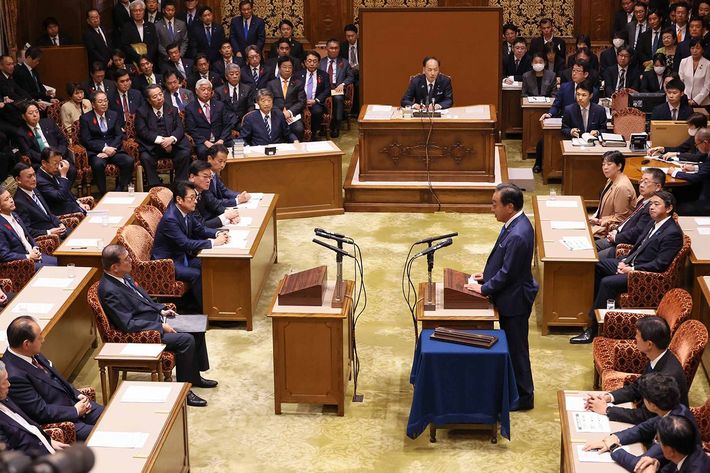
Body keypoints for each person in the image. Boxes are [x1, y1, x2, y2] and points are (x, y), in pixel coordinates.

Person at [98, 244, 217, 407]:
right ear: (114, 267)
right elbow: (127, 324)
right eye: (126, 259)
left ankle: (194, 378)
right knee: (186, 340)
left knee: (197, 325)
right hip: (142, 334)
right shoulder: (109, 291)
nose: (131, 260)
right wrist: (160, 327)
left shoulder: (125, 276)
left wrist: (161, 310)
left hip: (155, 318)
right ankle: (185, 391)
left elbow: (144, 299)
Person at [570, 191, 684, 343]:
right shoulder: (653, 222)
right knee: (597, 265)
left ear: (668, 209)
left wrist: (632, 269)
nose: (651, 207)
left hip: (644, 276)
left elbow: (660, 264)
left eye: (657, 204)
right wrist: (626, 261)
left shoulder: (672, 234)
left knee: (607, 283)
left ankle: (594, 329)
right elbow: (639, 246)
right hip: (630, 263)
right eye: (651, 203)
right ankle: (595, 308)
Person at [463, 184, 538, 411]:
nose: (492, 208)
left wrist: (484, 289)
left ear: (510, 206)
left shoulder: (518, 234)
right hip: (510, 294)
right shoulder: (513, 224)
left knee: (517, 350)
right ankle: (513, 389)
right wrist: (486, 276)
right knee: (512, 346)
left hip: (515, 300)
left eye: (495, 204)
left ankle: (524, 397)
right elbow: (505, 262)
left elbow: (508, 273)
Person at [4, 316, 102, 440]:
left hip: (76, 403)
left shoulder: (31, 353)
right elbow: (40, 411)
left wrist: (77, 394)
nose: (43, 339)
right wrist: (75, 411)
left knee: (113, 417)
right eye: (40, 337)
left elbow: (58, 379)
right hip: (63, 422)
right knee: (104, 436)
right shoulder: (14, 376)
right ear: (26, 344)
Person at [583, 373, 699, 472]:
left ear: (652, 405)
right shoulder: (674, 409)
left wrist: (613, 447)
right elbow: (643, 429)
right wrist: (615, 438)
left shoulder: (674, 428)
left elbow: (640, 466)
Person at [585, 316, 689, 423]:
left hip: (666, 428)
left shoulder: (666, 377)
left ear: (649, 344)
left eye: (638, 335)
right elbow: (637, 387)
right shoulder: (659, 357)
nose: (635, 337)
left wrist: (607, 410)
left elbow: (647, 416)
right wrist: (607, 397)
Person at [151, 181, 228, 311]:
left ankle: (217, 303)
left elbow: (200, 229)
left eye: (195, 197)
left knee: (210, 263)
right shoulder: (170, 219)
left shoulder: (186, 210)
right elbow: (185, 243)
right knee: (196, 274)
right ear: (179, 199)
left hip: (181, 256)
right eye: (191, 198)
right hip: (168, 262)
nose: (195, 201)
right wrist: (213, 243)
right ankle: (207, 310)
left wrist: (218, 233)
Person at [0, 360, 68, 456]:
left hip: (49, 449)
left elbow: (28, 425)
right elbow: (10, 461)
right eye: (4, 382)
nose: (9, 384)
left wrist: (48, 442)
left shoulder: (4, 398)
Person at [596, 168, 665, 259]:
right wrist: (616, 230)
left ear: (658, 187)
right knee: (591, 246)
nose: (641, 185)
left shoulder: (653, 208)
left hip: (625, 245)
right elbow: (629, 219)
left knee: (594, 257)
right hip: (619, 236)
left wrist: (616, 237)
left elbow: (638, 232)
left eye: (646, 182)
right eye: (641, 181)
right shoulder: (644, 199)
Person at [135, 84, 191, 188]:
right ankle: (156, 186)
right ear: (149, 100)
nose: (159, 98)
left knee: (185, 153)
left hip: (173, 145)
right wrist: (162, 141)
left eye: (160, 94)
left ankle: (180, 186)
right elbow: (142, 131)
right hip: (153, 146)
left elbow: (180, 128)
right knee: (145, 157)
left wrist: (171, 139)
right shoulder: (142, 112)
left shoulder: (172, 109)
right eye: (155, 96)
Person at [79, 91, 134, 195]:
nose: (104, 104)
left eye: (105, 101)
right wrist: (104, 149)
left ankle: (120, 190)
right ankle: (103, 193)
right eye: (100, 101)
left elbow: (119, 135)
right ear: (93, 104)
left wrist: (111, 149)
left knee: (129, 161)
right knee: (98, 164)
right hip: (97, 152)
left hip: (114, 149)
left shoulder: (114, 115)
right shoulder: (85, 118)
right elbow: (86, 140)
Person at [14, 102, 76, 186]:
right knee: (52, 176)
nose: (35, 115)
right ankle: (58, 192)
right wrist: (49, 159)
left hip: (58, 157)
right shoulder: (21, 133)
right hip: (41, 162)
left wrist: (58, 155)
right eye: (30, 113)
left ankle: (63, 191)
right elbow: (29, 153)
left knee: (72, 170)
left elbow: (62, 141)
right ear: (24, 116)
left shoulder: (48, 122)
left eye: (36, 112)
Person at [0, 185, 57, 268]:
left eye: (10, 197)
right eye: (6, 199)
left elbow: (27, 236)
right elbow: (4, 255)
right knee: (55, 268)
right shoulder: (1, 225)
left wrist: (35, 247)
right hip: (22, 265)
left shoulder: (14, 215)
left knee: (61, 261)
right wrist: (28, 257)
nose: (11, 200)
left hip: (34, 255)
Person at [11, 163, 67, 240]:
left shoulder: (35, 190)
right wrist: (48, 232)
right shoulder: (19, 202)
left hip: (58, 231)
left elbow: (48, 214)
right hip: (48, 239)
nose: (34, 179)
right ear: (18, 180)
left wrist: (60, 223)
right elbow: (26, 230)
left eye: (34, 175)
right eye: (29, 176)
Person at [588, 151, 637, 238]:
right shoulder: (611, 179)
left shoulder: (621, 187)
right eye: (603, 164)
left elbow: (621, 218)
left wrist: (599, 221)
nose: (605, 167)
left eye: (609, 164)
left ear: (619, 166)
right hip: (600, 222)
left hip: (609, 230)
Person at [184, 79, 236, 160]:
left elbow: (228, 125)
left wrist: (221, 140)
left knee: (236, 148)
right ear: (196, 91)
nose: (206, 92)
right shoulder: (190, 108)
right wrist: (205, 142)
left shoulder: (220, 105)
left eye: (209, 89)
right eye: (203, 89)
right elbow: (192, 129)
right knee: (203, 151)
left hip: (220, 140)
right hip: (203, 142)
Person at [666, 127, 710, 215]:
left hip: (707, 201)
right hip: (703, 190)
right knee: (678, 194)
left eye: (697, 144)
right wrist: (694, 167)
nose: (696, 147)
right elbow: (707, 167)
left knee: (674, 208)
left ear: (705, 143)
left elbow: (698, 176)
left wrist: (674, 173)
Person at [35, 148, 90, 217]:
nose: (58, 167)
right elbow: (60, 197)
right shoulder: (40, 181)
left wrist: (79, 204)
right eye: (55, 163)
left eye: (60, 163)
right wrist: (63, 176)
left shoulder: (52, 171)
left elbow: (67, 191)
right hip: (64, 215)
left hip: (75, 208)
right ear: (44, 163)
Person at [188, 160, 239, 228]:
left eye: (210, 177)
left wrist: (230, 214)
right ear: (192, 177)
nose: (208, 180)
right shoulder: (187, 196)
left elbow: (216, 205)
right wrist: (225, 217)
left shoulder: (203, 190)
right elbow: (199, 225)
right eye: (205, 177)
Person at [321, 39, 355, 137]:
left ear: (339, 49)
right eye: (331, 48)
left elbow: (351, 77)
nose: (334, 50)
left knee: (338, 99)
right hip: (324, 89)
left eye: (336, 48)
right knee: (320, 99)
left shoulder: (344, 62)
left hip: (337, 89)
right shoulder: (321, 62)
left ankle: (336, 126)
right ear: (327, 48)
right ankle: (322, 126)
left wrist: (343, 84)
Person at [267, 56, 305, 141]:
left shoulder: (298, 83)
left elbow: (301, 101)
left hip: (293, 116)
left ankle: (297, 148)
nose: (287, 70)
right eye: (284, 67)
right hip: (275, 115)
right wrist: (281, 114)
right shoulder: (271, 84)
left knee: (298, 129)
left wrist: (289, 112)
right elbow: (269, 102)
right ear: (279, 68)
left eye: (290, 67)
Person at [295, 51, 330, 137]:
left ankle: (314, 133)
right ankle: (301, 133)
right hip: (301, 102)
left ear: (318, 63)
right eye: (309, 61)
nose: (312, 64)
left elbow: (327, 90)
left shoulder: (324, 75)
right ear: (305, 62)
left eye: (314, 61)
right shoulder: (298, 75)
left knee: (317, 111)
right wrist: (302, 101)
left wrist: (316, 100)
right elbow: (294, 90)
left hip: (315, 102)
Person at [214, 64, 255, 132]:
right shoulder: (219, 91)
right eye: (231, 74)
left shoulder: (247, 89)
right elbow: (217, 110)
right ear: (226, 77)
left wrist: (247, 118)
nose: (235, 76)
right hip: (226, 124)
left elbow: (251, 106)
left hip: (243, 123)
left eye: (237, 74)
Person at [121, 0, 158, 67]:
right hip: (133, 62)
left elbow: (154, 43)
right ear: (131, 13)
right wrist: (139, 58)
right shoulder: (126, 27)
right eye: (135, 11)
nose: (138, 13)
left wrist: (147, 57)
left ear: (144, 11)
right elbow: (125, 46)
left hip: (150, 61)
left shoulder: (151, 26)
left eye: (140, 10)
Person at [677, 38, 710, 106]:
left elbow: (707, 86)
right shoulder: (684, 61)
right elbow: (680, 82)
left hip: (702, 102)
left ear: (703, 50)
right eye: (692, 48)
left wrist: (695, 100)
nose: (694, 51)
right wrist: (687, 98)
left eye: (698, 48)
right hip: (685, 100)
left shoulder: (708, 64)